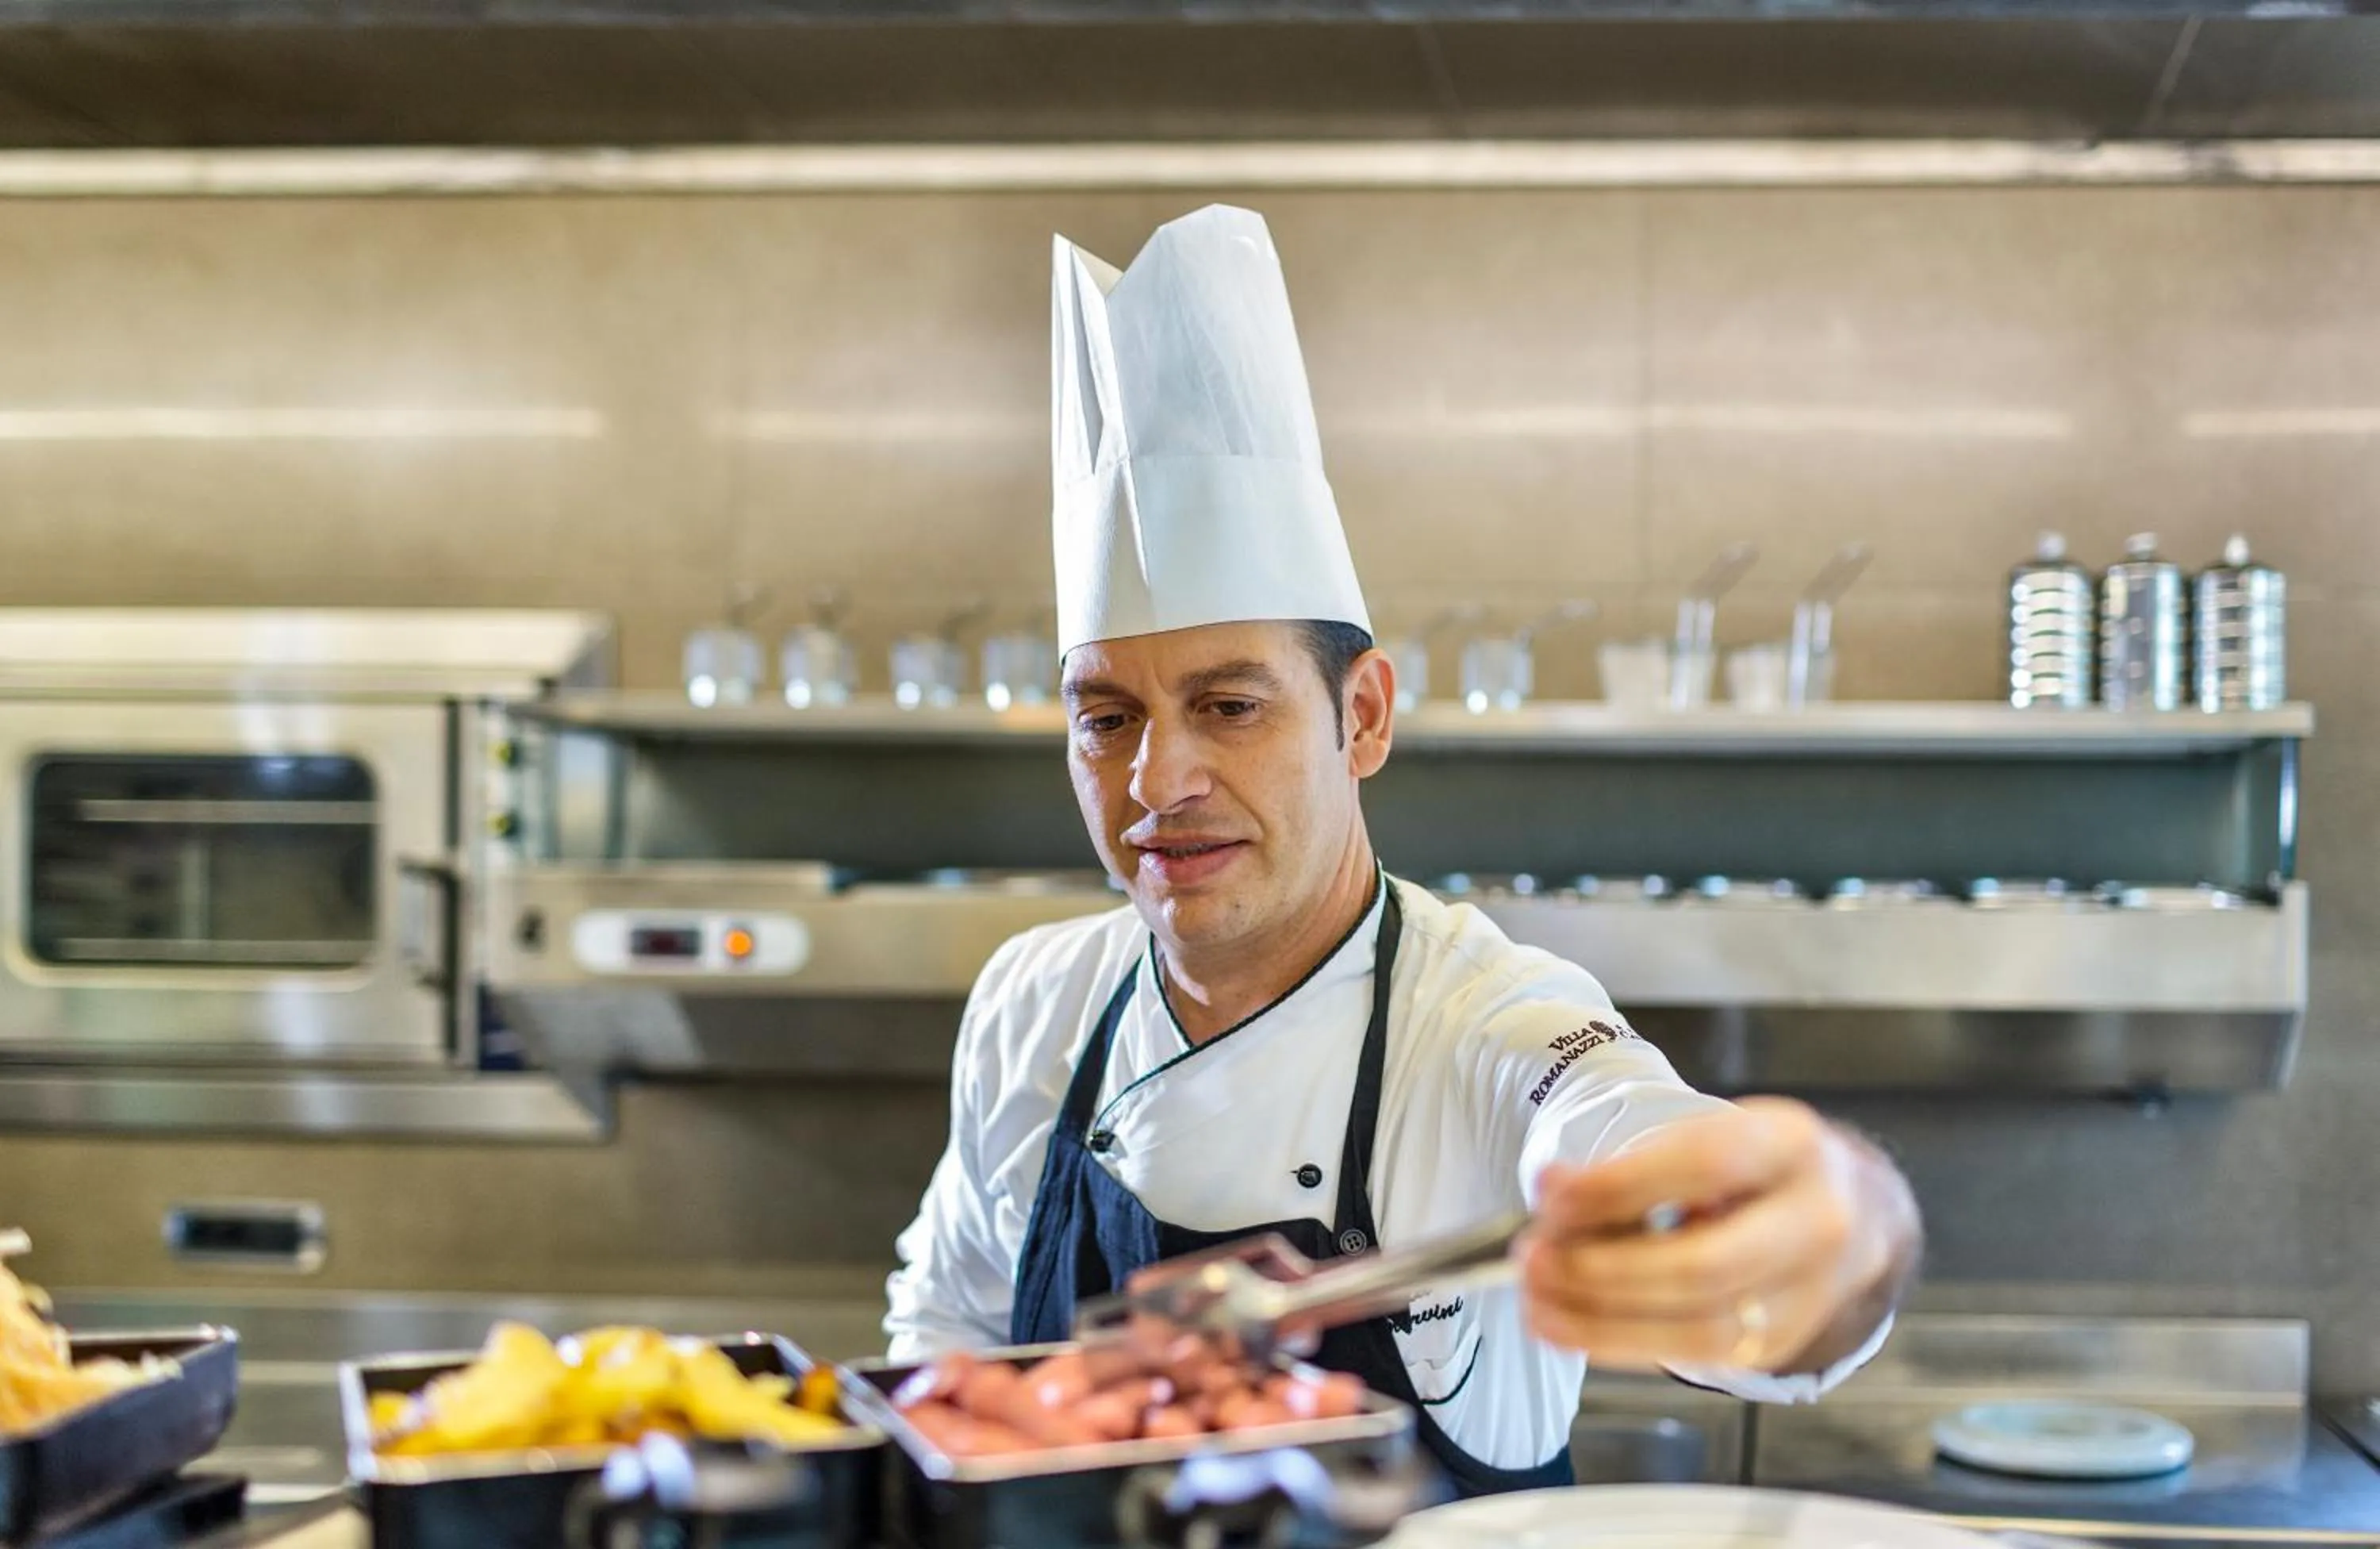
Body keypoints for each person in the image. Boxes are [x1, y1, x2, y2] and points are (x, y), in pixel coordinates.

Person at [885, 204, 1922, 1494]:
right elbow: (947, 1337)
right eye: (1107, 718)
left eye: (1230, 706)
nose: (1156, 781)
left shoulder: (1488, 1026)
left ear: (1363, 716)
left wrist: (1835, 1225)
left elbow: (1651, 1157)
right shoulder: (1035, 1003)